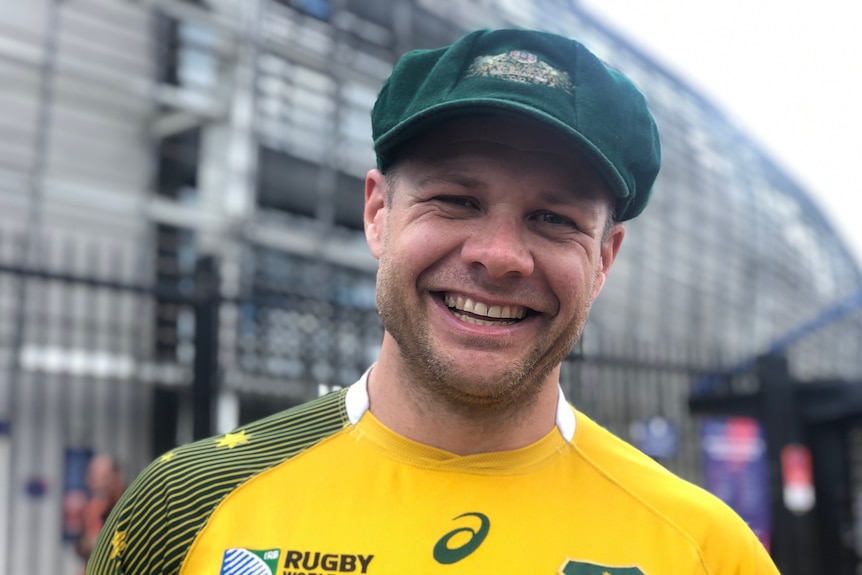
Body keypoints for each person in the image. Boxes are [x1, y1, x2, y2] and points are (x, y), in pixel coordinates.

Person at [87, 28, 780, 574]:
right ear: (378, 212)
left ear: (603, 259)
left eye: (554, 218)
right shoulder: (183, 508)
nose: (499, 254)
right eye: (456, 199)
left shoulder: (705, 550)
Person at [76, 454, 125, 566]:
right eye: (92, 476)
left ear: (115, 477)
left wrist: (100, 545)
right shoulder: (92, 508)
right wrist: (87, 544)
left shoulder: (129, 507)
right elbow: (79, 544)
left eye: (101, 477)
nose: (92, 481)